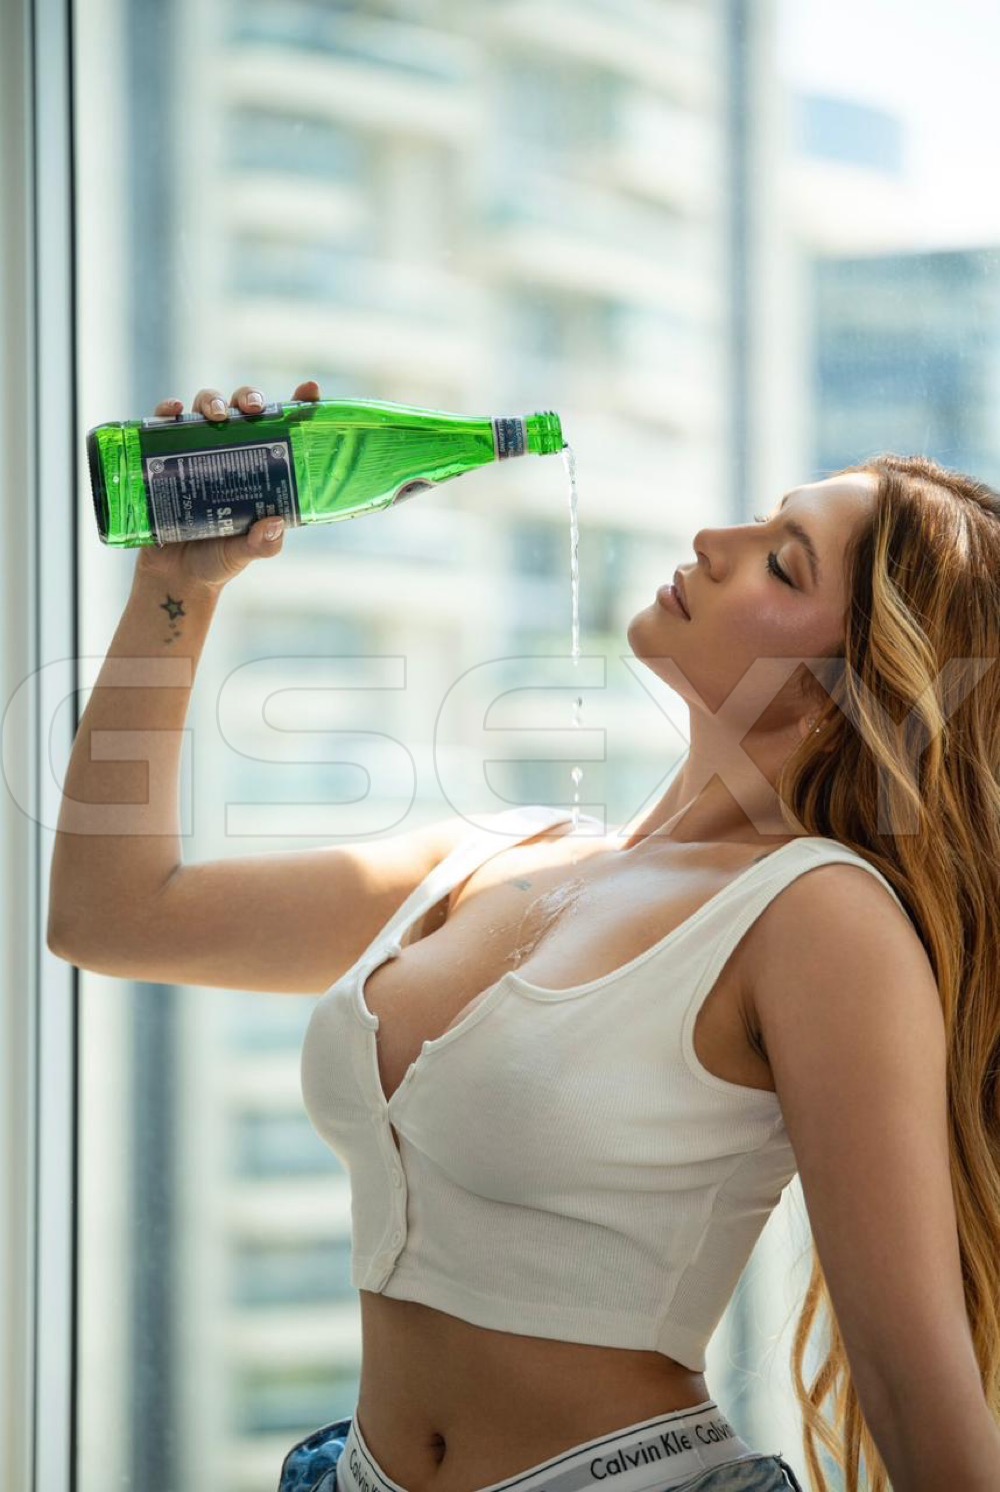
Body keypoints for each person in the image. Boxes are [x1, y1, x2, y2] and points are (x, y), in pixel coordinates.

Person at [47, 382, 1000, 1492]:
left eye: (782, 565)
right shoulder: (498, 851)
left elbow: (910, 1389)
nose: (713, 540)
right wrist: (178, 583)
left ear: (848, 695)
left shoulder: (816, 915)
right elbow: (113, 914)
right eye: (757, 521)